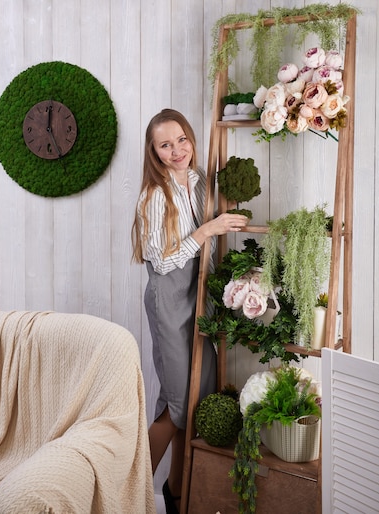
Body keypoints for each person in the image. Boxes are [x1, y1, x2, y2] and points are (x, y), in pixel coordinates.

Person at [131, 109, 248, 514]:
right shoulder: (153, 196)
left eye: (182, 140)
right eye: (166, 145)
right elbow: (159, 261)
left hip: (199, 300)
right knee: (177, 404)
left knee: (195, 403)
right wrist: (206, 231)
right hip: (169, 300)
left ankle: (175, 496)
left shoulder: (200, 182)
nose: (177, 150)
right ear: (154, 152)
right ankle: (123, 492)